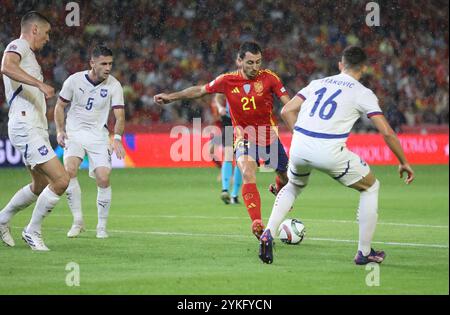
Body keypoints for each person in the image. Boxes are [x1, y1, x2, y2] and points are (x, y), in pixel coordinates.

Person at [258, 46, 415, 264]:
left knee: (293, 186)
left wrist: (303, 137)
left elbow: (285, 111)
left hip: (299, 145)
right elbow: (386, 131)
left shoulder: (317, 83)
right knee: (370, 186)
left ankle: (268, 232)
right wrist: (403, 162)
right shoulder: (362, 92)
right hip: (329, 150)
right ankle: (364, 252)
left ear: (341, 65)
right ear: (364, 68)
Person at [154, 41, 291, 239]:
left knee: (286, 178)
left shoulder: (270, 78)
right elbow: (200, 90)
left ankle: (278, 187)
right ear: (240, 61)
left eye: (258, 62)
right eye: (250, 62)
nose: (255, 67)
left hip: (268, 136)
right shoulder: (227, 81)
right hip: (244, 137)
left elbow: (288, 103)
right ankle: (257, 223)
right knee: (247, 172)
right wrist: (171, 97)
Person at [0, 12, 70, 251]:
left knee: (39, 185)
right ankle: (32, 231)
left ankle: (1, 219)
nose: (48, 39)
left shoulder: (29, 55)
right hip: (25, 125)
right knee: (61, 180)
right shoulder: (18, 45)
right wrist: (40, 84)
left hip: (32, 127)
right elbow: (6, 66)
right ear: (35, 30)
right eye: (47, 33)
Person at [54, 45, 126, 239]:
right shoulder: (74, 80)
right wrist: (60, 130)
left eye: (110, 63)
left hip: (98, 136)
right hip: (75, 133)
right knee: (69, 171)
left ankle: (101, 226)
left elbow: (119, 116)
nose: (108, 67)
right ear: (92, 63)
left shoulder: (114, 85)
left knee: (103, 177)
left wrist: (117, 138)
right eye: (103, 63)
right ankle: (78, 221)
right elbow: (60, 106)